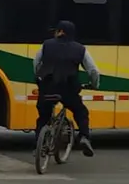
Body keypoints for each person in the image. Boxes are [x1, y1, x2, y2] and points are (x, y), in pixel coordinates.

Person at [33, 20, 100, 157]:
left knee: (43, 117)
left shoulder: (46, 45)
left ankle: (38, 146)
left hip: (48, 88)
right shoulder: (80, 49)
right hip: (69, 89)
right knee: (81, 112)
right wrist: (94, 84)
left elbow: (36, 63)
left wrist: (39, 77)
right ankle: (84, 137)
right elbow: (93, 71)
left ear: (60, 32)